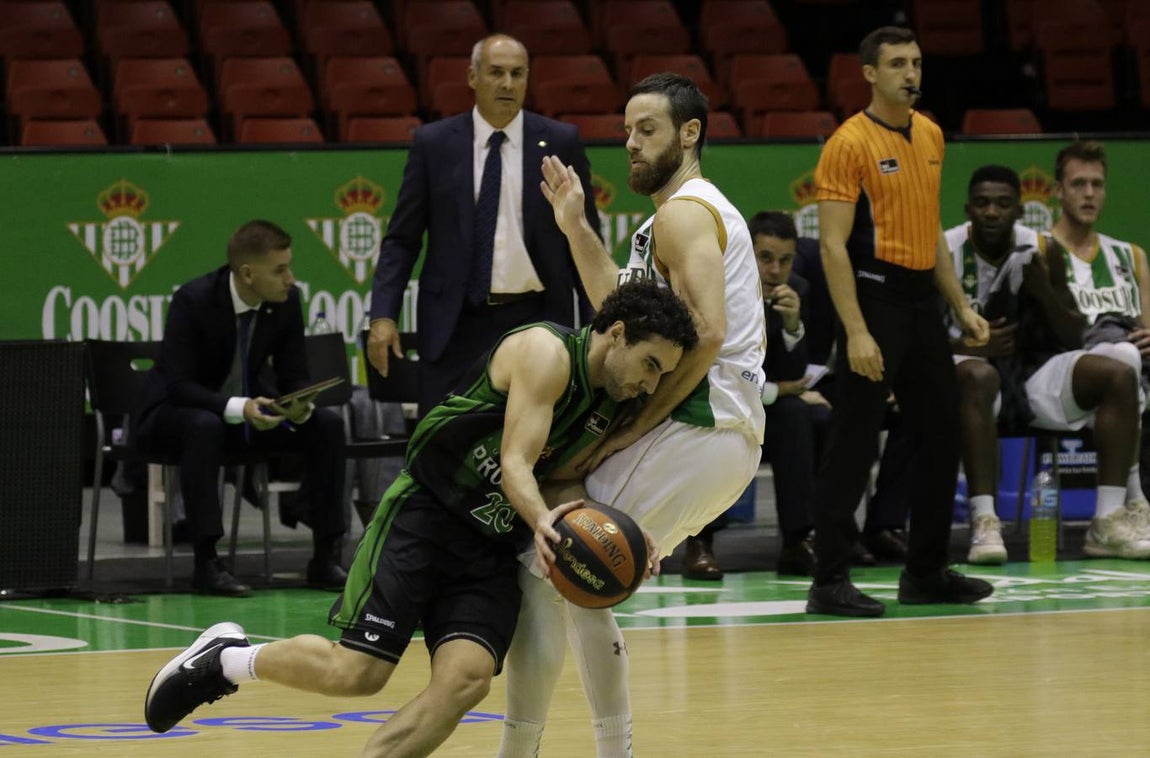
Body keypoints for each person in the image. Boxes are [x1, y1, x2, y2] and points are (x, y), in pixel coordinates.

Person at [142, 280, 699, 757]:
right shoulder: (545, 352)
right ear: (618, 332)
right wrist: (547, 525)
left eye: (662, 375)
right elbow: (516, 464)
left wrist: (611, 523)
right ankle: (228, 661)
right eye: (651, 365)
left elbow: (559, 479)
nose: (650, 385)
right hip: (427, 515)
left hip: (488, 546)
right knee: (358, 674)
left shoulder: (614, 400)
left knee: (467, 680)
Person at [499, 73, 766, 757]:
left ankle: (517, 752)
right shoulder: (668, 218)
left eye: (646, 129)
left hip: (699, 426)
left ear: (690, 133)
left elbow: (705, 333)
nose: (631, 144)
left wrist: (631, 430)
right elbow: (618, 313)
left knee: (544, 564)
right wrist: (575, 226)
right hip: (716, 440)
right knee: (587, 576)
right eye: (626, 132)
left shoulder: (687, 212)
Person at [805, 26, 993, 618]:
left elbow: (928, 229)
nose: (910, 74)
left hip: (921, 305)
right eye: (896, 65)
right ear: (869, 74)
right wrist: (856, 331)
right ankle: (828, 581)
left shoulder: (931, 133)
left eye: (915, 62)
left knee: (942, 433)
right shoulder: (847, 143)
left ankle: (927, 571)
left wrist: (960, 304)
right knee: (853, 442)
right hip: (874, 299)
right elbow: (833, 247)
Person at [366, 33, 600, 417]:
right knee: (441, 446)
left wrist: (597, 325)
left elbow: (584, 239)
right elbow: (402, 241)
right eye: (496, 73)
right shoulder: (434, 144)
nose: (507, 84)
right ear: (472, 77)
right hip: (455, 323)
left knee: (535, 443)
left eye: (517, 74)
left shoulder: (560, 140)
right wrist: (383, 315)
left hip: (536, 317)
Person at [133, 220, 348, 597]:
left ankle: (326, 555)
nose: (290, 279)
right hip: (174, 415)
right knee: (205, 426)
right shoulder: (194, 300)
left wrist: (297, 404)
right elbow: (179, 385)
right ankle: (206, 561)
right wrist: (239, 407)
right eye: (280, 270)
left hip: (248, 413)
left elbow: (293, 373)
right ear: (248, 274)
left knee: (326, 425)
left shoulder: (286, 302)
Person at [1035, 144, 1150, 555]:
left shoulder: (1130, 255)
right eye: (1078, 184)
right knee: (1121, 359)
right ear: (1057, 191)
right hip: (1053, 380)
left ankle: (1126, 510)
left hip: (1121, 388)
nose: (1089, 193)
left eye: (1097, 185)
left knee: (1127, 357)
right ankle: (1131, 503)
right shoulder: (1037, 249)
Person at [752, 210, 820, 575]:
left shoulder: (797, 292)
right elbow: (718, 373)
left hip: (768, 405)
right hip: (722, 399)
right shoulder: (720, 290)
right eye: (765, 258)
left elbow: (796, 373)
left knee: (808, 416)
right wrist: (778, 390)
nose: (776, 270)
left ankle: (800, 540)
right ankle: (702, 542)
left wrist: (793, 325)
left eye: (785, 260)